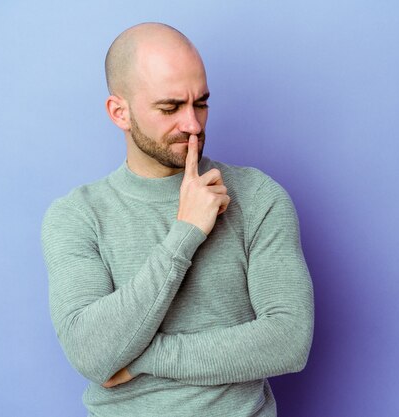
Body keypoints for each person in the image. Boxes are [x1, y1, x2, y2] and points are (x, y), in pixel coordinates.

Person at [41, 22, 314, 417]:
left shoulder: (258, 197)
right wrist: (185, 232)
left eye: (200, 103)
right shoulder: (76, 215)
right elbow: (90, 353)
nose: (193, 125)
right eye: (170, 108)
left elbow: (288, 341)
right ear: (120, 112)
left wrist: (141, 357)